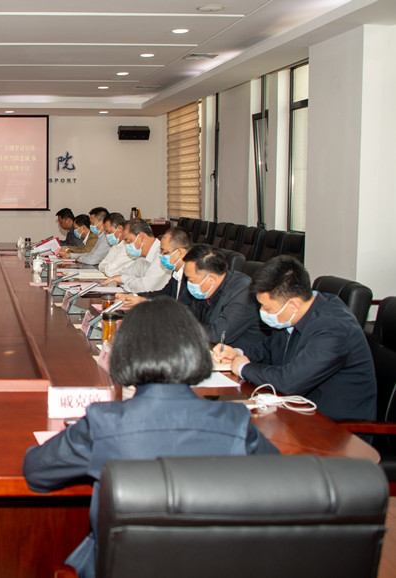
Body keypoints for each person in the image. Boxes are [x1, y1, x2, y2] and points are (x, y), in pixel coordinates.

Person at [23, 297, 278, 578]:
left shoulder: (104, 422)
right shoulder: (235, 423)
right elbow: (282, 491)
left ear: (124, 354)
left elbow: (36, 472)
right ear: (196, 351)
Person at [213, 256, 376, 422]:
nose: (262, 312)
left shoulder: (333, 328)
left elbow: (289, 381)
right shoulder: (294, 314)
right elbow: (268, 348)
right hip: (296, 410)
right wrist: (237, 353)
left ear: (293, 305)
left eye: (266, 308)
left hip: (334, 427)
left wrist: (243, 368)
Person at [180, 244, 267, 350]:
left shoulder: (243, 293)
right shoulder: (205, 289)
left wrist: (182, 325)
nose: (188, 284)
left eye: (191, 280)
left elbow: (216, 335)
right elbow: (183, 313)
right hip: (211, 349)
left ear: (211, 279)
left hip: (242, 355)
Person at [116, 227, 193, 306]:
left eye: (165, 253)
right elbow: (163, 294)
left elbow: (185, 308)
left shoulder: (192, 278)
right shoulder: (176, 274)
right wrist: (136, 297)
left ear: (180, 252)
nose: (162, 256)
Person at [104, 219, 171, 292]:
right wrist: (119, 278)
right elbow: (126, 273)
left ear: (141, 237)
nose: (127, 246)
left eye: (128, 241)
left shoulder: (162, 255)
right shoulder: (142, 257)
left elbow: (144, 287)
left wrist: (123, 279)